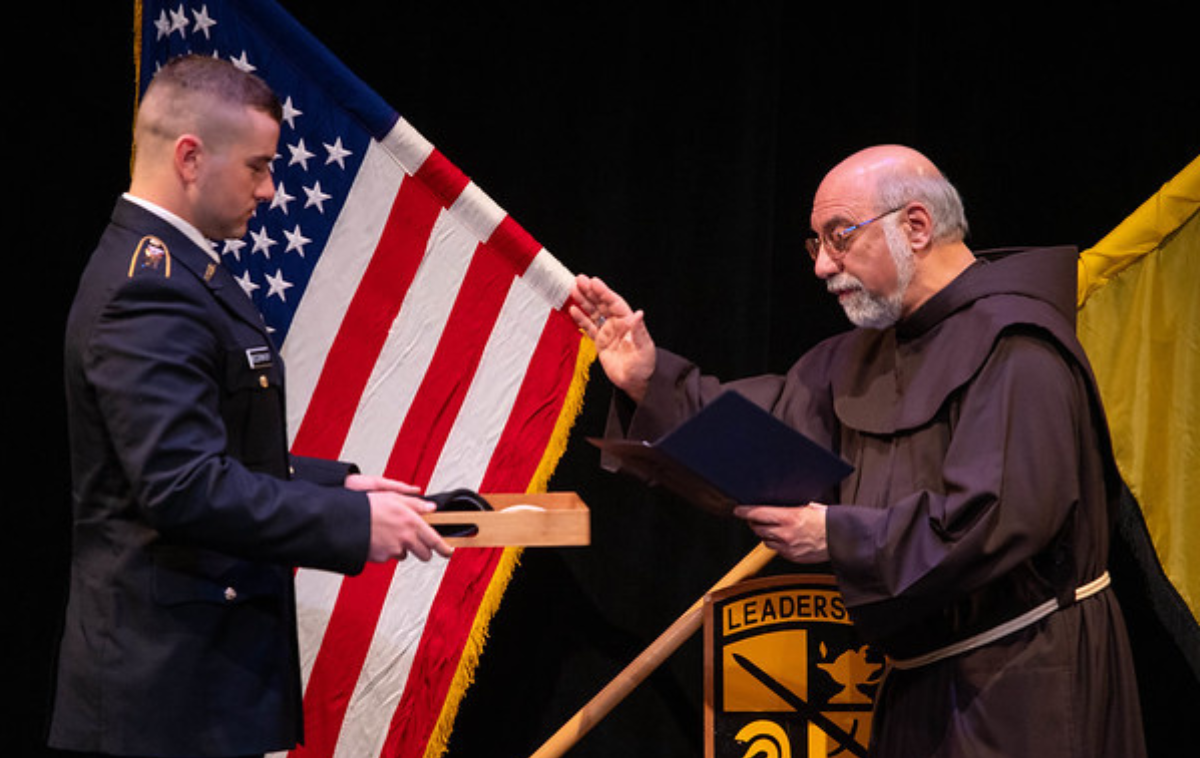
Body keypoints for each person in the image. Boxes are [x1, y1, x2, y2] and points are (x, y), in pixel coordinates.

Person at [570, 145, 1147, 757]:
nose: (822, 266)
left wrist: (835, 537)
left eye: (839, 237)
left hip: (1024, 687)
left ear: (916, 227)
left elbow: (999, 518)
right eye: (816, 243)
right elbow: (761, 440)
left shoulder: (1016, 346)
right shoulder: (861, 357)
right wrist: (647, 381)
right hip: (915, 689)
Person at [49, 55, 452, 758]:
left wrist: (335, 484)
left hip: (190, 690)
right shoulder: (149, 289)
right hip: (162, 699)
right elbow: (183, 485)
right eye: (258, 166)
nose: (269, 190)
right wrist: (351, 523)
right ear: (190, 156)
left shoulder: (176, 268)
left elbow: (211, 448)